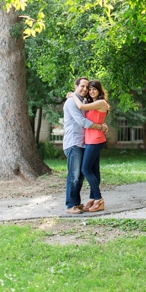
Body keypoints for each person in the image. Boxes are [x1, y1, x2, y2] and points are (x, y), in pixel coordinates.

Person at [63, 77, 109, 215]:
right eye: (82, 86)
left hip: (86, 142)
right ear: (75, 86)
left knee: (82, 174)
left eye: (87, 87)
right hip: (74, 142)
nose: (86, 89)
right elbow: (82, 121)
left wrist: (101, 125)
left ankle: (78, 203)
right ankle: (71, 204)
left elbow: (92, 115)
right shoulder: (72, 102)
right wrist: (100, 127)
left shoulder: (85, 101)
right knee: (75, 175)